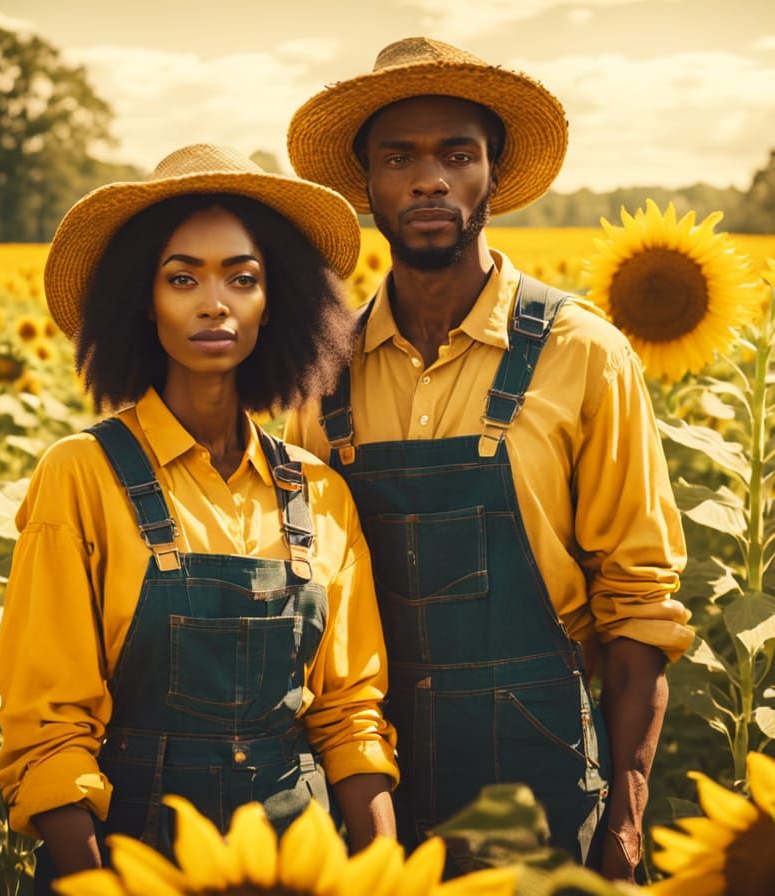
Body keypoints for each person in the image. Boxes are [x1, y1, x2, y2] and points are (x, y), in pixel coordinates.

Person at [284, 38, 693, 881]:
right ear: (365, 185)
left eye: (456, 154)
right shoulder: (320, 372)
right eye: (399, 157)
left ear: (493, 177)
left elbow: (638, 606)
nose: (428, 179)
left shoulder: (585, 353)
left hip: (537, 788)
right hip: (368, 791)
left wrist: (626, 817)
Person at [0, 144, 398, 892]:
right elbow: (49, 735)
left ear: (275, 300)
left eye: (242, 278)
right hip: (129, 863)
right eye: (183, 278)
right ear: (143, 300)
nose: (215, 303)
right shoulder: (79, 475)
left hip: (298, 867)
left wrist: (383, 877)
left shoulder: (320, 492)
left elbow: (350, 718)